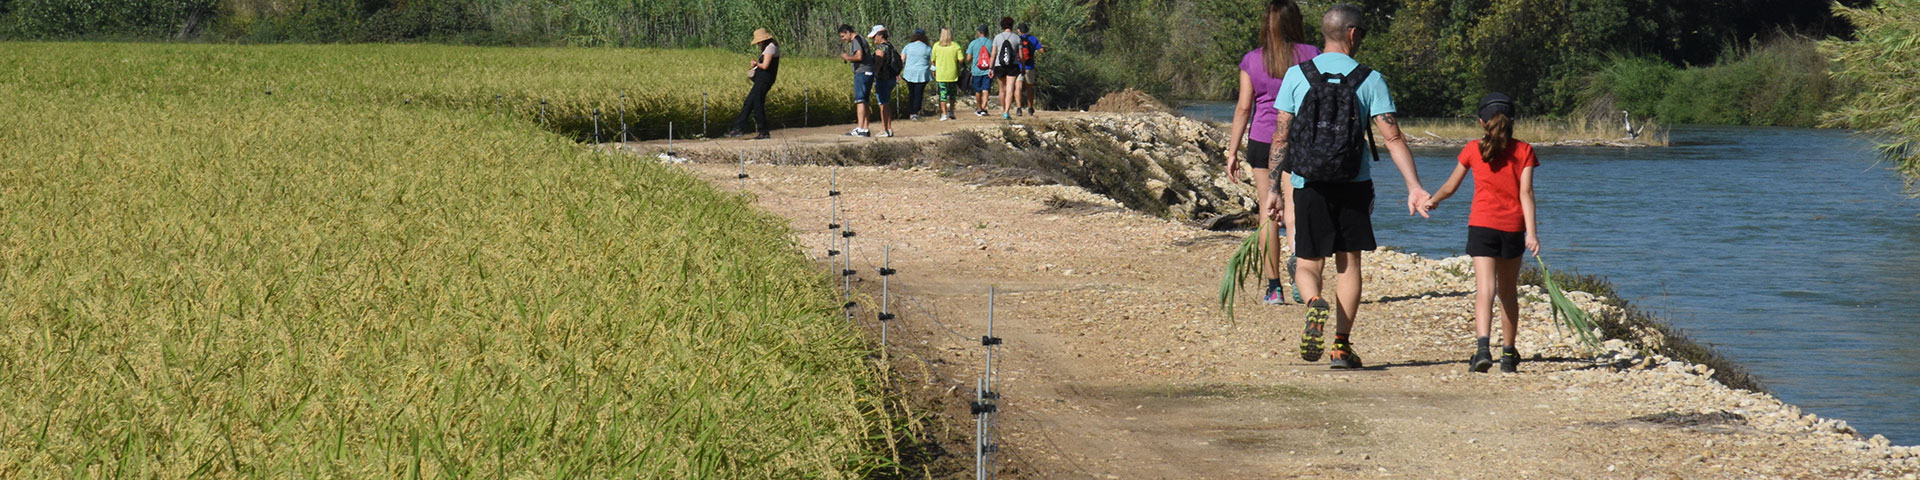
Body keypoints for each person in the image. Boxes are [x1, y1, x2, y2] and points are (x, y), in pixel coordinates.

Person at [1262, 3, 1432, 369]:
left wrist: (1274, 188)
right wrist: (1414, 186)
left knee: (1308, 261)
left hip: (1308, 182)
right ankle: (1341, 345)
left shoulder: (1297, 74)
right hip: (1353, 184)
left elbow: (1280, 137)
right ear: (1353, 34)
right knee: (1348, 262)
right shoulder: (1370, 78)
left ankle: (1313, 304)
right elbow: (1393, 137)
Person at [1422, 92, 1540, 374]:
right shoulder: (1524, 150)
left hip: (1482, 225)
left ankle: (1483, 348)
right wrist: (1532, 233)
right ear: (1512, 121)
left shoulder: (1473, 149)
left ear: (1481, 122)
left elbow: (1451, 186)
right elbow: (1526, 193)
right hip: (1513, 228)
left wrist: (1433, 199)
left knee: (1484, 289)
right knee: (1508, 292)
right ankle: (1508, 356)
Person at [1223, 0, 1317, 305]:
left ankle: (1273, 287)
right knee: (1295, 211)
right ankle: (1302, 282)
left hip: (1263, 140)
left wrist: (1232, 151)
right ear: (1295, 22)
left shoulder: (1252, 60)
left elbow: (1243, 108)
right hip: (1300, 140)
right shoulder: (1312, 55)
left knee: (1268, 213)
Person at [725, 28, 781, 140]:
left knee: (757, 104)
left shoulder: (770, 48)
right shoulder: (770, 47)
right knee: (749, 103)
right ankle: (738, 129)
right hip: (763, 80)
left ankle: (763, 131)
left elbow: (765, 66)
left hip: (764, 80)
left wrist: (756, 64)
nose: (758, 43)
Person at [837, 24, 874, 137]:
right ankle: (865, 128)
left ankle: (860, 128)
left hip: (862, 73)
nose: (843, 39)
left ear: (848, 32)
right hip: (868, 72)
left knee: (860, 100)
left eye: (843, 36)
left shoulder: (856, 40)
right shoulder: (861, 39)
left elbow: (859, 56)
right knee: (865, 101)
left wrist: (847, 57)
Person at [990, 17, 1024, 120]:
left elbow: (993, 54)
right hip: (1012, 65)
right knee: (1010, 88)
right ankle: (1006, 112)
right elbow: (1021, 56)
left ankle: (1004, 109)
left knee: (1002, 89)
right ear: (1012, 25)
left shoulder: (997, 37)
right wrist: (1023, 67)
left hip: (999, 65)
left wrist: (990, 68)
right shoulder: (1017, 38)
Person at [930, 28, 967, 121]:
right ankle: (951, 111)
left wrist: (933, 71)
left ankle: (944, 113)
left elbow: (933, 61)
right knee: (952, 94)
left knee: (943, 94)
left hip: (941, 74)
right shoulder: (955, 46)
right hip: (952, 74)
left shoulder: (936, 46)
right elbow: (961, 59)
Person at [868, 26, 899, 137]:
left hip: (882, 79)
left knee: (882, 104)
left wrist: (873, 74)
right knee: (886, 103)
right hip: (891, 78)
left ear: (880, 35)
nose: (873, 39)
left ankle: (884, 129)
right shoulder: (890, 46)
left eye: (875, 36)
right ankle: (889, 128)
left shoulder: (881, 48)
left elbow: (879, 63)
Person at [901, 29, 933, 121]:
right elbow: (932, 61)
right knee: (919, 93)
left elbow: (902, 59)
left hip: (909, 73)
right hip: (922, 73)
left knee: (911, 93)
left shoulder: (908, 47)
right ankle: (915, 111)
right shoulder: (927, 48)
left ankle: (911, 111)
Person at [1015, 23, 1044, 116]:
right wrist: (1042, 47)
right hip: (1029, 66)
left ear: (1019, 30)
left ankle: (1019, 108)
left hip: (1018, 66)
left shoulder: (1016, 39)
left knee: (1018, 87)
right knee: (1029, 88)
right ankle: (1030, 108)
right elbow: (1041, 51)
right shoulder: (1033, 39)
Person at [966, 25, 995, 117]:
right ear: (987, 32)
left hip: (976, 70)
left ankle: (979, 108)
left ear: (979, 32)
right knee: (986, 89)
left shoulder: (973, 43)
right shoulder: (991, 43)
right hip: (988, 70)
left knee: (977, 90)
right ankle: (984, 108)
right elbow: (994, 56)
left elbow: (968, 58)